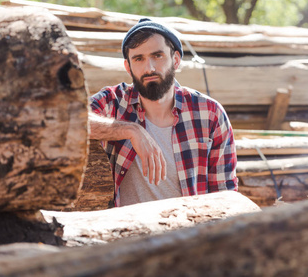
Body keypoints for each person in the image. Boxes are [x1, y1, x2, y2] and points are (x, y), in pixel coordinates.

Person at [89, 18, 238, 207]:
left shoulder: (210, 114)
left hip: (190, 231)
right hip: (126, 232)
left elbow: (225, 196)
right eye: (139, 59)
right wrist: (132, 131)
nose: (149, 68)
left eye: (157, 56)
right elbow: (70, 119)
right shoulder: (114, 102)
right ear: (128, 67)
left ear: (175, 60)